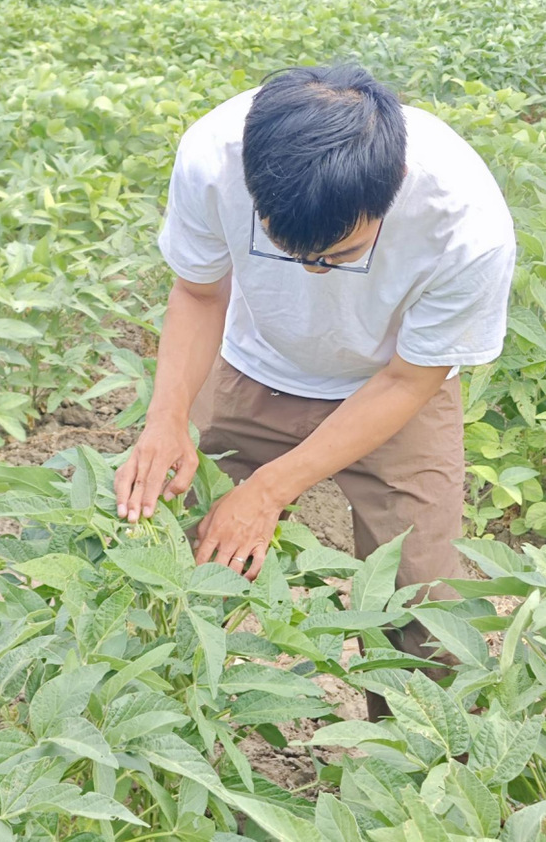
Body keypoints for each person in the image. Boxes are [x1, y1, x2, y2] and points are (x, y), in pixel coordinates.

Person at [113, 64, 516, 715]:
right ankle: (162, 725)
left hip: (390, 390)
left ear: (395, 185)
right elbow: (199, 292)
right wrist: (166, 418)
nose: (312, 272)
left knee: (421, 602)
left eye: (338, 254)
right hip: (251, 368)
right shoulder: (213, 156)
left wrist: (268, 490)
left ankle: (422, 755)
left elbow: (409, 377)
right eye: (290, 251)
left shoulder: (463, 223)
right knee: (173, 557)